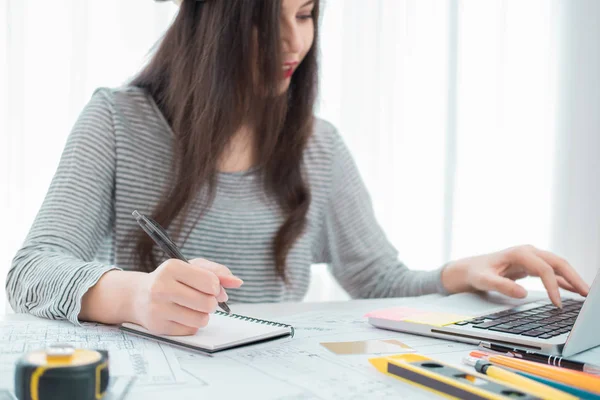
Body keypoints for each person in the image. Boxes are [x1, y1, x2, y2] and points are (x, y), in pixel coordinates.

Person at [6, 0, 589, 336]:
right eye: (267, 19)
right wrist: (135, 298)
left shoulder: (320, 147)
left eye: (306, 14)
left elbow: (378, 281)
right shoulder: (116, 122)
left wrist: (462, 272)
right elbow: (30, 274)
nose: (293, 42)